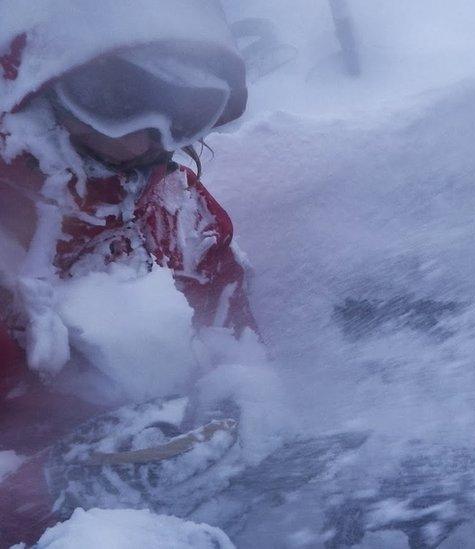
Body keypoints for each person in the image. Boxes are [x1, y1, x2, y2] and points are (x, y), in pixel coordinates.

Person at [0, 2, 254, 545]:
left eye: (188, 110)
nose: (152, 138)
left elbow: (230, 326)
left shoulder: (174, 208)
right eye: (120, 101)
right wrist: (34, 491)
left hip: (188, 494)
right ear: (36, 86)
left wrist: (239, 403)